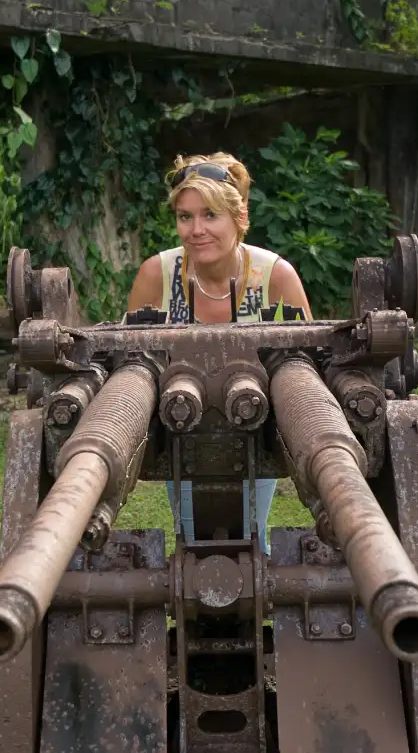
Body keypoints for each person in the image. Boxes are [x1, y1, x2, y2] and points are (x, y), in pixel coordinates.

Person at [126, 152, 314, 554]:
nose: (196, 230)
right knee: (193, 536)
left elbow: (308, 365)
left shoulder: (275, 275)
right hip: (180, 427)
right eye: (185, 216)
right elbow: (130, 363)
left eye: (210, 215)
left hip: (256, 427)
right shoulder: (156, 275)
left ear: (238, 217)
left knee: (251, 536)